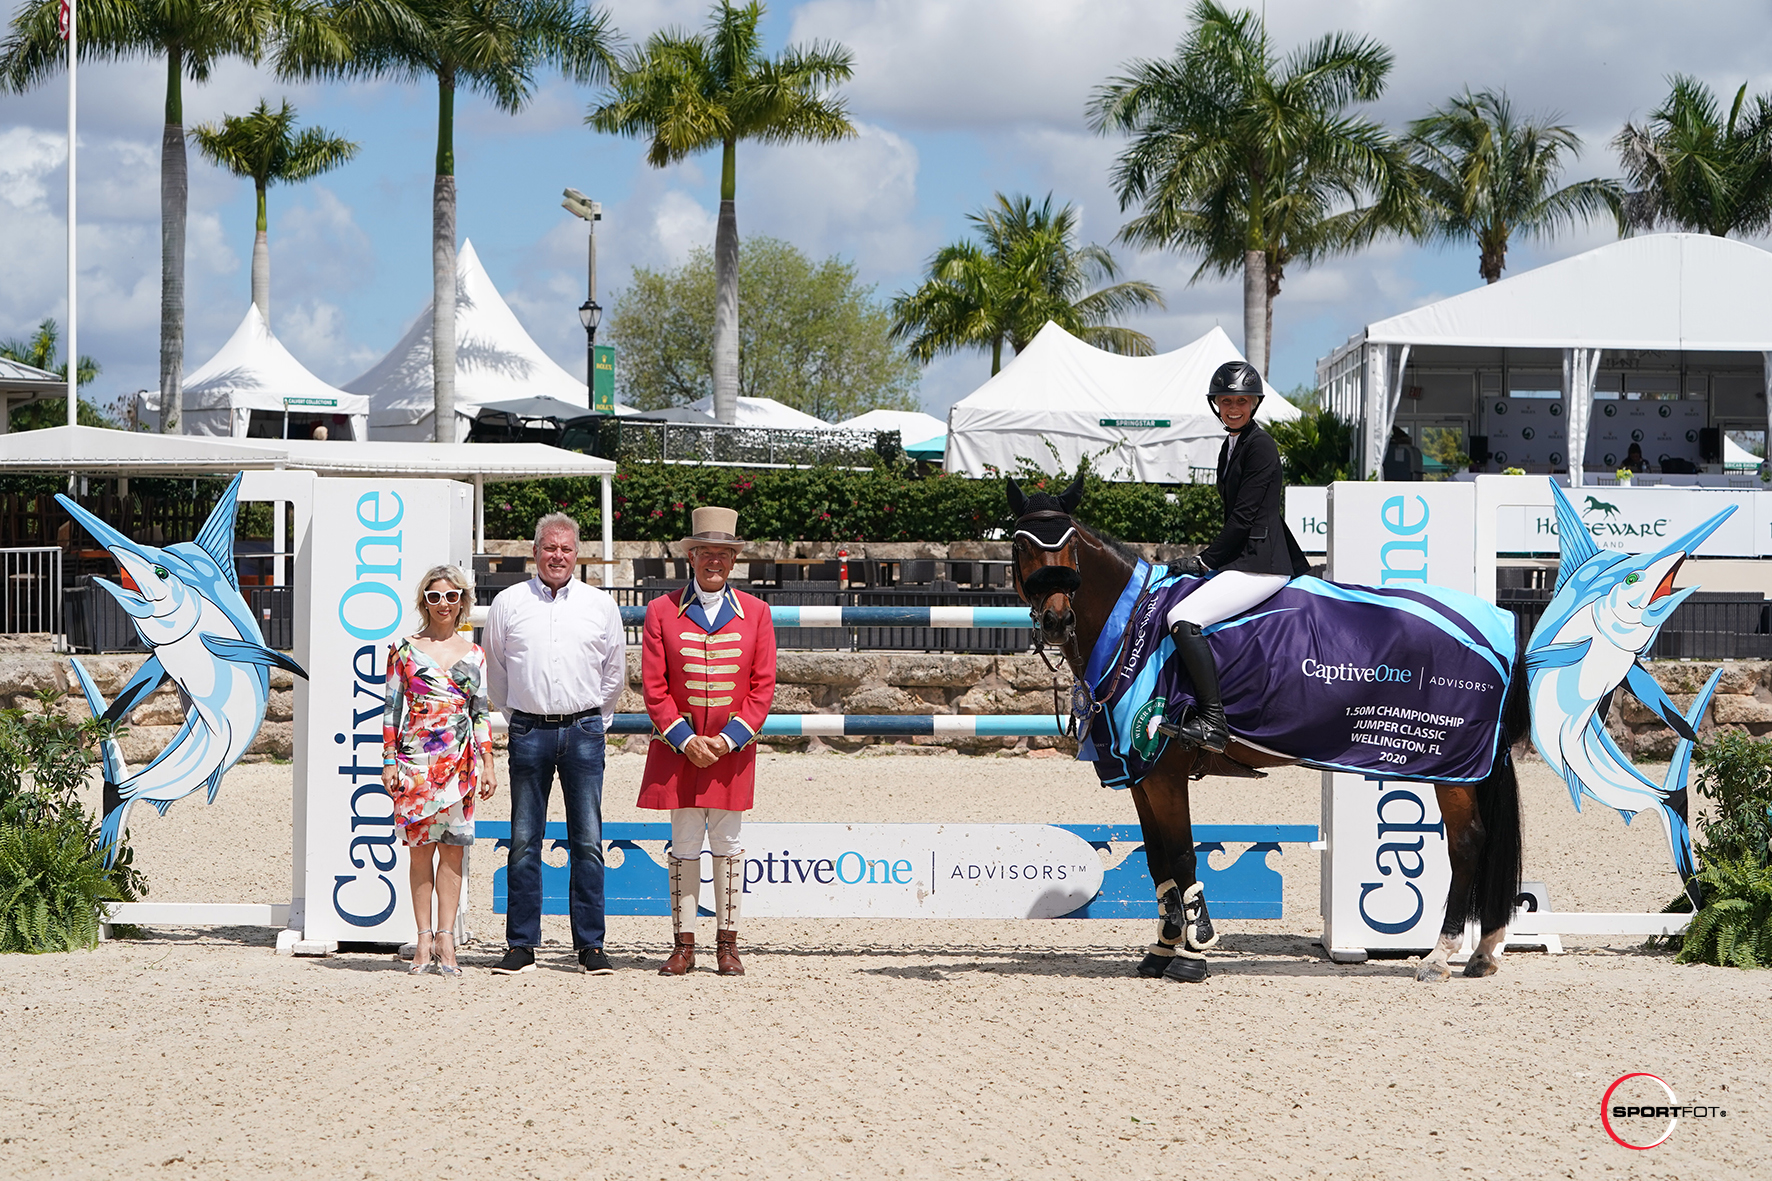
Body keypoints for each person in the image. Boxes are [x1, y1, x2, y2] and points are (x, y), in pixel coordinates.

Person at [484, 513, 627, 975]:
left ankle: (590, 945)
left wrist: (592, 720)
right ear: (535, 553)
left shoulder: (600, 604)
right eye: (549, 548)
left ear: (577, 554)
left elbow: (614, 672)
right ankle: (521, 943)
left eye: (566, 549)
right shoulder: (508, 603)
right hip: (528, 730)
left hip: (584, 730)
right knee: (525, 840)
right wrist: (519, 715)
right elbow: (497, 669)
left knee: (587, 841)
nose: (558, 556)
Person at [637, 506, 777, 977]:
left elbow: (762, 688)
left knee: (729, 843)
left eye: (723, 553)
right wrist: (685, 738)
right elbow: (654, 687)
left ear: (734, 560)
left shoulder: (757, 613)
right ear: (691, 556)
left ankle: (728, 945)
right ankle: (683, 945)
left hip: (729, 752)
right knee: (683, 843)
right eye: (705, 553)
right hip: (680, 750)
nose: (713, 561)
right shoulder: (660, 611)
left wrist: (724, 741)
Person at [1158, 361, 1311, 752]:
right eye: (1226, 400)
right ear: (1216, 404)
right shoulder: (1232, 445)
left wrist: (1207, 561)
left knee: (1182, 617)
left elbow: (1244, 517)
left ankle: (1213, 722)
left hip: (1261, 564)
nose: (1233, 407)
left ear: (1254, 403)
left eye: (1241, 400)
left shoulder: (1260, 445)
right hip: (1243, 560)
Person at [382, 565, 496, 977]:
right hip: (414, 764)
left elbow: (480, 713)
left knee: (453, 852)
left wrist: (487, 762)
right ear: (423, 602)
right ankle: (423, 937)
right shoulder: (403, 650)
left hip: (460, 765)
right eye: (434, 597)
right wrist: (389, 760)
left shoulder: (475, 654)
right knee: (419, 855)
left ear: (462, 601)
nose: (443, 604)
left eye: (451, 597)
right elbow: (391, 709)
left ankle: (447, 938)